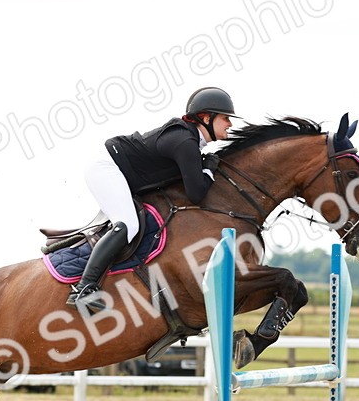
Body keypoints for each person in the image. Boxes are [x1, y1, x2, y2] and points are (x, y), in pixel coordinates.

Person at [66, 86, 240, 312]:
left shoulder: (190, 141)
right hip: (106, 168)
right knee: (128, 224)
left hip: (118, 170)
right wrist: (207, 170)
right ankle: (84, 288)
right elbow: (196, 194)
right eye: (226, 118)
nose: (230, 124)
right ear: (206, 118)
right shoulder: (185, 142)